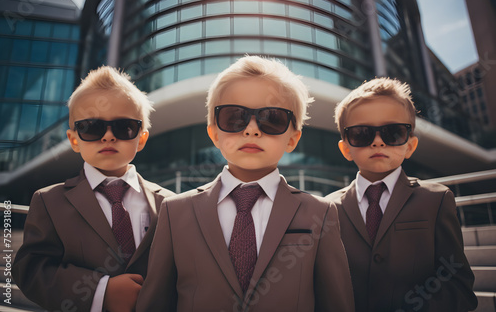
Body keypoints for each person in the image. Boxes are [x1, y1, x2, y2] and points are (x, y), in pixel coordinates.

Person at [137, 56, 354, 312]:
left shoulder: (321, 213)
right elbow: (155, 304)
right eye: (234, 117)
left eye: (272, 118)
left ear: (293, 139)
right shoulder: (175, 212)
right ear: (215, 133)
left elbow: (337, 304)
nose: (252, 130)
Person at [12, 66, 175, 312]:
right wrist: (102, 291)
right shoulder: (49, 201)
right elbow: (31, 269)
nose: (108, 136)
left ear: (140, 138)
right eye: (92, 127)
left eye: (124, 127)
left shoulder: (171, 203)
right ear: (74, 139)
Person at [326, 77, 477, 311]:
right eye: (362, 133)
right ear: (346, 149)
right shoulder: (326, 208)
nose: (377, 142)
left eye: (393, 132)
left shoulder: (436, 200)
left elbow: (457, 285)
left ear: (410, 146)